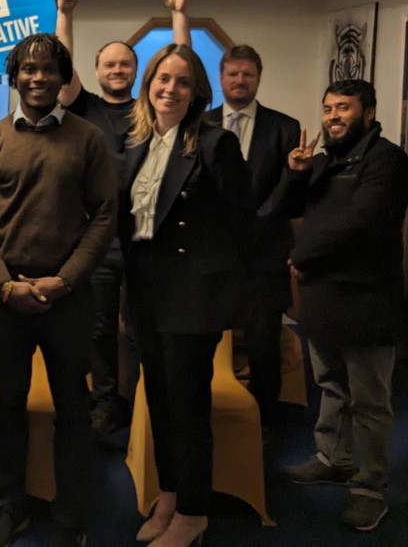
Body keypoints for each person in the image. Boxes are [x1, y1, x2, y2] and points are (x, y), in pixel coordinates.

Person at [0, 33, 117, 547]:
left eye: (49, 69)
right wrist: (2, 285)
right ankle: (12, 506)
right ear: (14, 76)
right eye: (27, 69)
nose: (37, 78)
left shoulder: (88, 138)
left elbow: (104, 217)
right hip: (4, 299)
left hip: (68, 299)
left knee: (74, 408)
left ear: (63, 77)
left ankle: (71, 517)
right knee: (9, 404)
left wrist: (65, 279)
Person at [121, 43, 255, 547]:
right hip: (147, 294)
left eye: (181, 81)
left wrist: (225, 291)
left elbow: (243, 225)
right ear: (148, 85)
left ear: (196, 91)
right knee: (158, 400)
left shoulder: (215, 144)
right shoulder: (136, 143)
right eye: (161, 78)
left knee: (188, 406)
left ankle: (195, 512)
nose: (169, 89)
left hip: (193, 296)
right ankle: (172, 494)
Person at [56, 0, 190, 441]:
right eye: (109, 64)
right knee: (96, 328)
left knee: (140, 327)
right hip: (96, 239)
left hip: (146, 237)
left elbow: (183, 65)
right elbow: (59, 67)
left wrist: (178, 14)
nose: (117, 70)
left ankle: (137, 401)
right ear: (96, 71)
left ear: (138, 72)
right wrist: (64, 13)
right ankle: (105, 401)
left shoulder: (152, 108)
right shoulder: (84, 107)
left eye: (126, 64)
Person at [279, 79, 408, 532]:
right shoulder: (320, 163)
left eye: (344, 108)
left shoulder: (388, 161)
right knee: (331, 385)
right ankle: (333, 459)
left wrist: (302, 254)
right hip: (322, 298)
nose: (333, 116)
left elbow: (362, 223)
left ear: (368, 113)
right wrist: (296, 173)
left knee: (370, 401)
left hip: (367, 299)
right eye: (329, 108)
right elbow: (291, 210)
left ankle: (371, 487)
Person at [205, 45, 300, 430]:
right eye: (233, 74)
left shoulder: (285, 127)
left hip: (264, 254)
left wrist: (253, 225)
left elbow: (286, 189)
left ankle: (264, 424)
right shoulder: (201, 124)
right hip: (212, 255)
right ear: (221, 77)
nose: (240, 81)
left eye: (247, 74)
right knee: (205, 340)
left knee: (263, 345)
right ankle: (209, 415)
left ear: (258, 79)